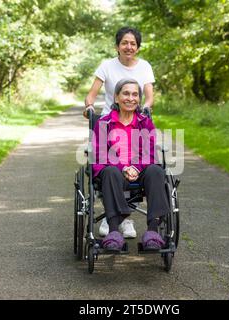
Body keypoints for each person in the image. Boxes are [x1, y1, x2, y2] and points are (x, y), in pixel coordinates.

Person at [85, 27, 156, 237]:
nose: (129, 47)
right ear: (117, 46)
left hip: (136, 118)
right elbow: (91, 95)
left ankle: (125, 220)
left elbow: (149, 96)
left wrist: (145, 107)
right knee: (110, 166)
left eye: (133, 43)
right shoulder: (107, 66)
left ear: (138, 47)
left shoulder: (144, 66)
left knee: (143, 162)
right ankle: (114, 217)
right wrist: (89, 107)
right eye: (124, 43)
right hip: (110, 121)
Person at [92, 78, 169, 251]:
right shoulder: (103, 123)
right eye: (126, 93)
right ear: (116, 97)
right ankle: (113, 232)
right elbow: (101, 154)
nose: (131, 98)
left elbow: (149, 152)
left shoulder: (145, 122)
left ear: (139, 99)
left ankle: (152, 232)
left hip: (140, 172)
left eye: (135, 94)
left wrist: (136, 167)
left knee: (157, 171)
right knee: (111, 171)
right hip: (114, 173)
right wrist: (124, 168)